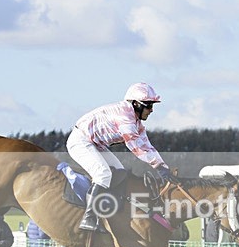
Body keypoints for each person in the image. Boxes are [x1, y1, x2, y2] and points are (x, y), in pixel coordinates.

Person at [66, 82, 174, 232]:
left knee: (120, 172)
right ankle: (89, 218)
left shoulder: (137, 123)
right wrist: (158, 167)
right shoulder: (125, 116)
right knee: (103, 174)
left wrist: (163, 167)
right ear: (136, 104)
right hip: (80, 141)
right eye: (149, 105)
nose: (151, 110)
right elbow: (135, 146)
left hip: (95, 144)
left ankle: (108, 212)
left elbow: (147, 146)